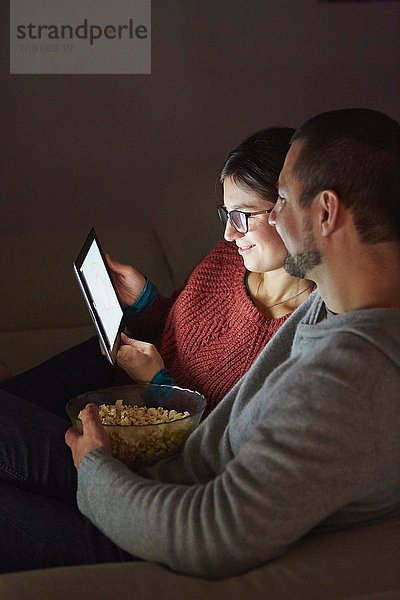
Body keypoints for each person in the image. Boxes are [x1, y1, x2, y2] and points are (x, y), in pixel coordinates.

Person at [1, 108, 399, 579]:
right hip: (145, 485)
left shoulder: (351, 376)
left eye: (283, 200)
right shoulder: (335, 302)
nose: (269, 216)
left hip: (146, 531)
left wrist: (96, 469)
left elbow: (209, 534)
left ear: (326, 212)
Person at [0, 127, 313, 417]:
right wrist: (145, 301)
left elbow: (218, 440)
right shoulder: (227, 260)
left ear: (291, 207)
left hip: (141, 434)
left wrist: (155, 382)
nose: (230, 233)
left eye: (243, 215)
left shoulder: (301, 334)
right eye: (227, 214)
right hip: (114, 378)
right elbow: (181, 333)